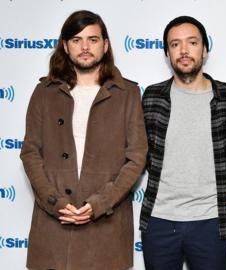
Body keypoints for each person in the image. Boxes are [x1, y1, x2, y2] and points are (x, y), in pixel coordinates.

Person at [20, 10, 147, 270]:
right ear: (65, 46)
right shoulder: (44, 92)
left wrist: (100, 202)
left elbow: (136, 157)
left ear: (106, 45)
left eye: (93, 39)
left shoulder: (128, 94)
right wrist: (55, 202)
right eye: (77, 40)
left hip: (106, 228)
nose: (85, 47)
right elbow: (30, 153)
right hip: (53, 227)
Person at [139, 16, 226, 270]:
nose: (183, 51)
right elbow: (142, 153)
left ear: (204, 50)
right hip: (159, 221)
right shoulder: (151, 96)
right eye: (175, 45)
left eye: (192, 43)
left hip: (211, 221)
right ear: (167, 54)